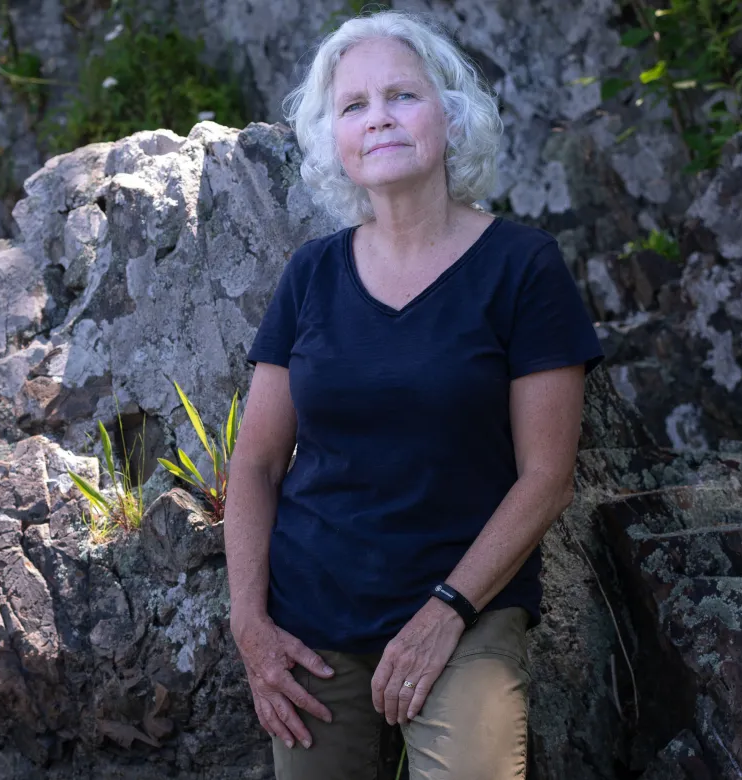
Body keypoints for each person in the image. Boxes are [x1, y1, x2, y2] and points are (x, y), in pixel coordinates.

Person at [224, 10, 605, 780]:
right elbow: (257, 464)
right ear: (333, 139)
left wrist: (446, 613)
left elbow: (547, 478)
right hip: (311, 617)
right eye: (354, 105)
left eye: (402, 95)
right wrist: (250, 625)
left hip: (468, 608)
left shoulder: (523, 267)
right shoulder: (311, 274)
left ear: (451, 115)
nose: (379, 118)